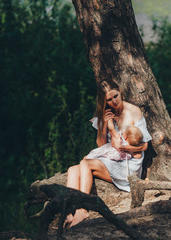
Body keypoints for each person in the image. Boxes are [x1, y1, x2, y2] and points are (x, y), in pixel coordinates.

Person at [64, 80, 152, 228]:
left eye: (115, 96)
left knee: (85, 163)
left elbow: (144, 146)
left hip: (128, 164)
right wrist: (104, 124)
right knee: (72, 170)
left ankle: (82, 210)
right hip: (110, 158)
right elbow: (100, 144)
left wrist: (123, 147)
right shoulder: (105, 113)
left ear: (121, 92)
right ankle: (66, 212)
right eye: (109, 100)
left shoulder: (134, 111)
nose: (114, 101)